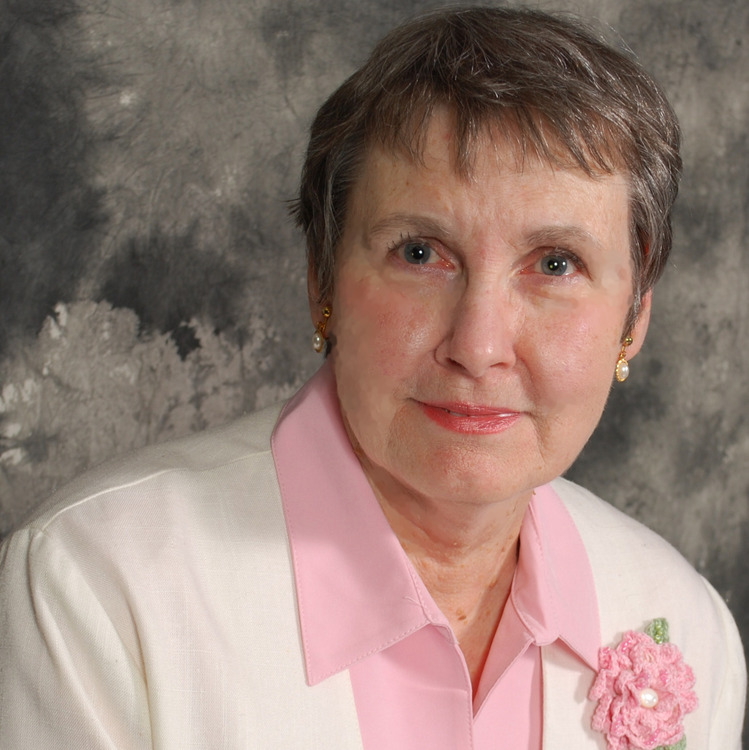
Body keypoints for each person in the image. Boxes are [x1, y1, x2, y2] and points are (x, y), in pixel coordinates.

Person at [0, 6, 745, 749]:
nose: (478, 346)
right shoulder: (97, 587)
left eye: (555, 263)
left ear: (633, 320)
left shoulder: (687, 625)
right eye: (419, 253)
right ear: (321, 279)